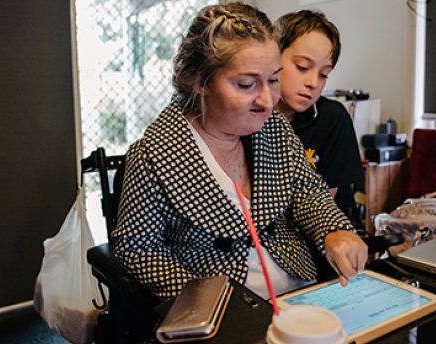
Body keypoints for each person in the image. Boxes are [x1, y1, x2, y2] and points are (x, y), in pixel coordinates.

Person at [112, 2, 367, 300]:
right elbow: (137, 248)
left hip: (299, 291)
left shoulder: (273, 128)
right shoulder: (153, 156)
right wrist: (204, 300)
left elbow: (305, 189)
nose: (267, 101)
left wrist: (332, 229)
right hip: (222, 309)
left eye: (273, 80)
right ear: (200, 81)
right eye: (246, 84)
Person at [274, 10, 364, 228]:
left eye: (324, 74)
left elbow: (317, 210)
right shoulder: (251, 118)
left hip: (322, 235)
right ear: (273, 56)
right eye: (303, 68)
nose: (313, 82)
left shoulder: (332, 118)